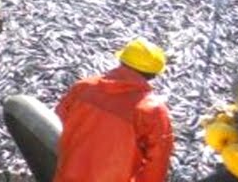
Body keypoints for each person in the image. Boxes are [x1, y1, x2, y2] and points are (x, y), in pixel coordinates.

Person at [53, 37, 174, 182]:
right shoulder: (152, 109)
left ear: (122, 61)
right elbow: (157, 161)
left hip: (67, 175)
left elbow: (57, 122)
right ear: (154, 74)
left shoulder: (83, 87)